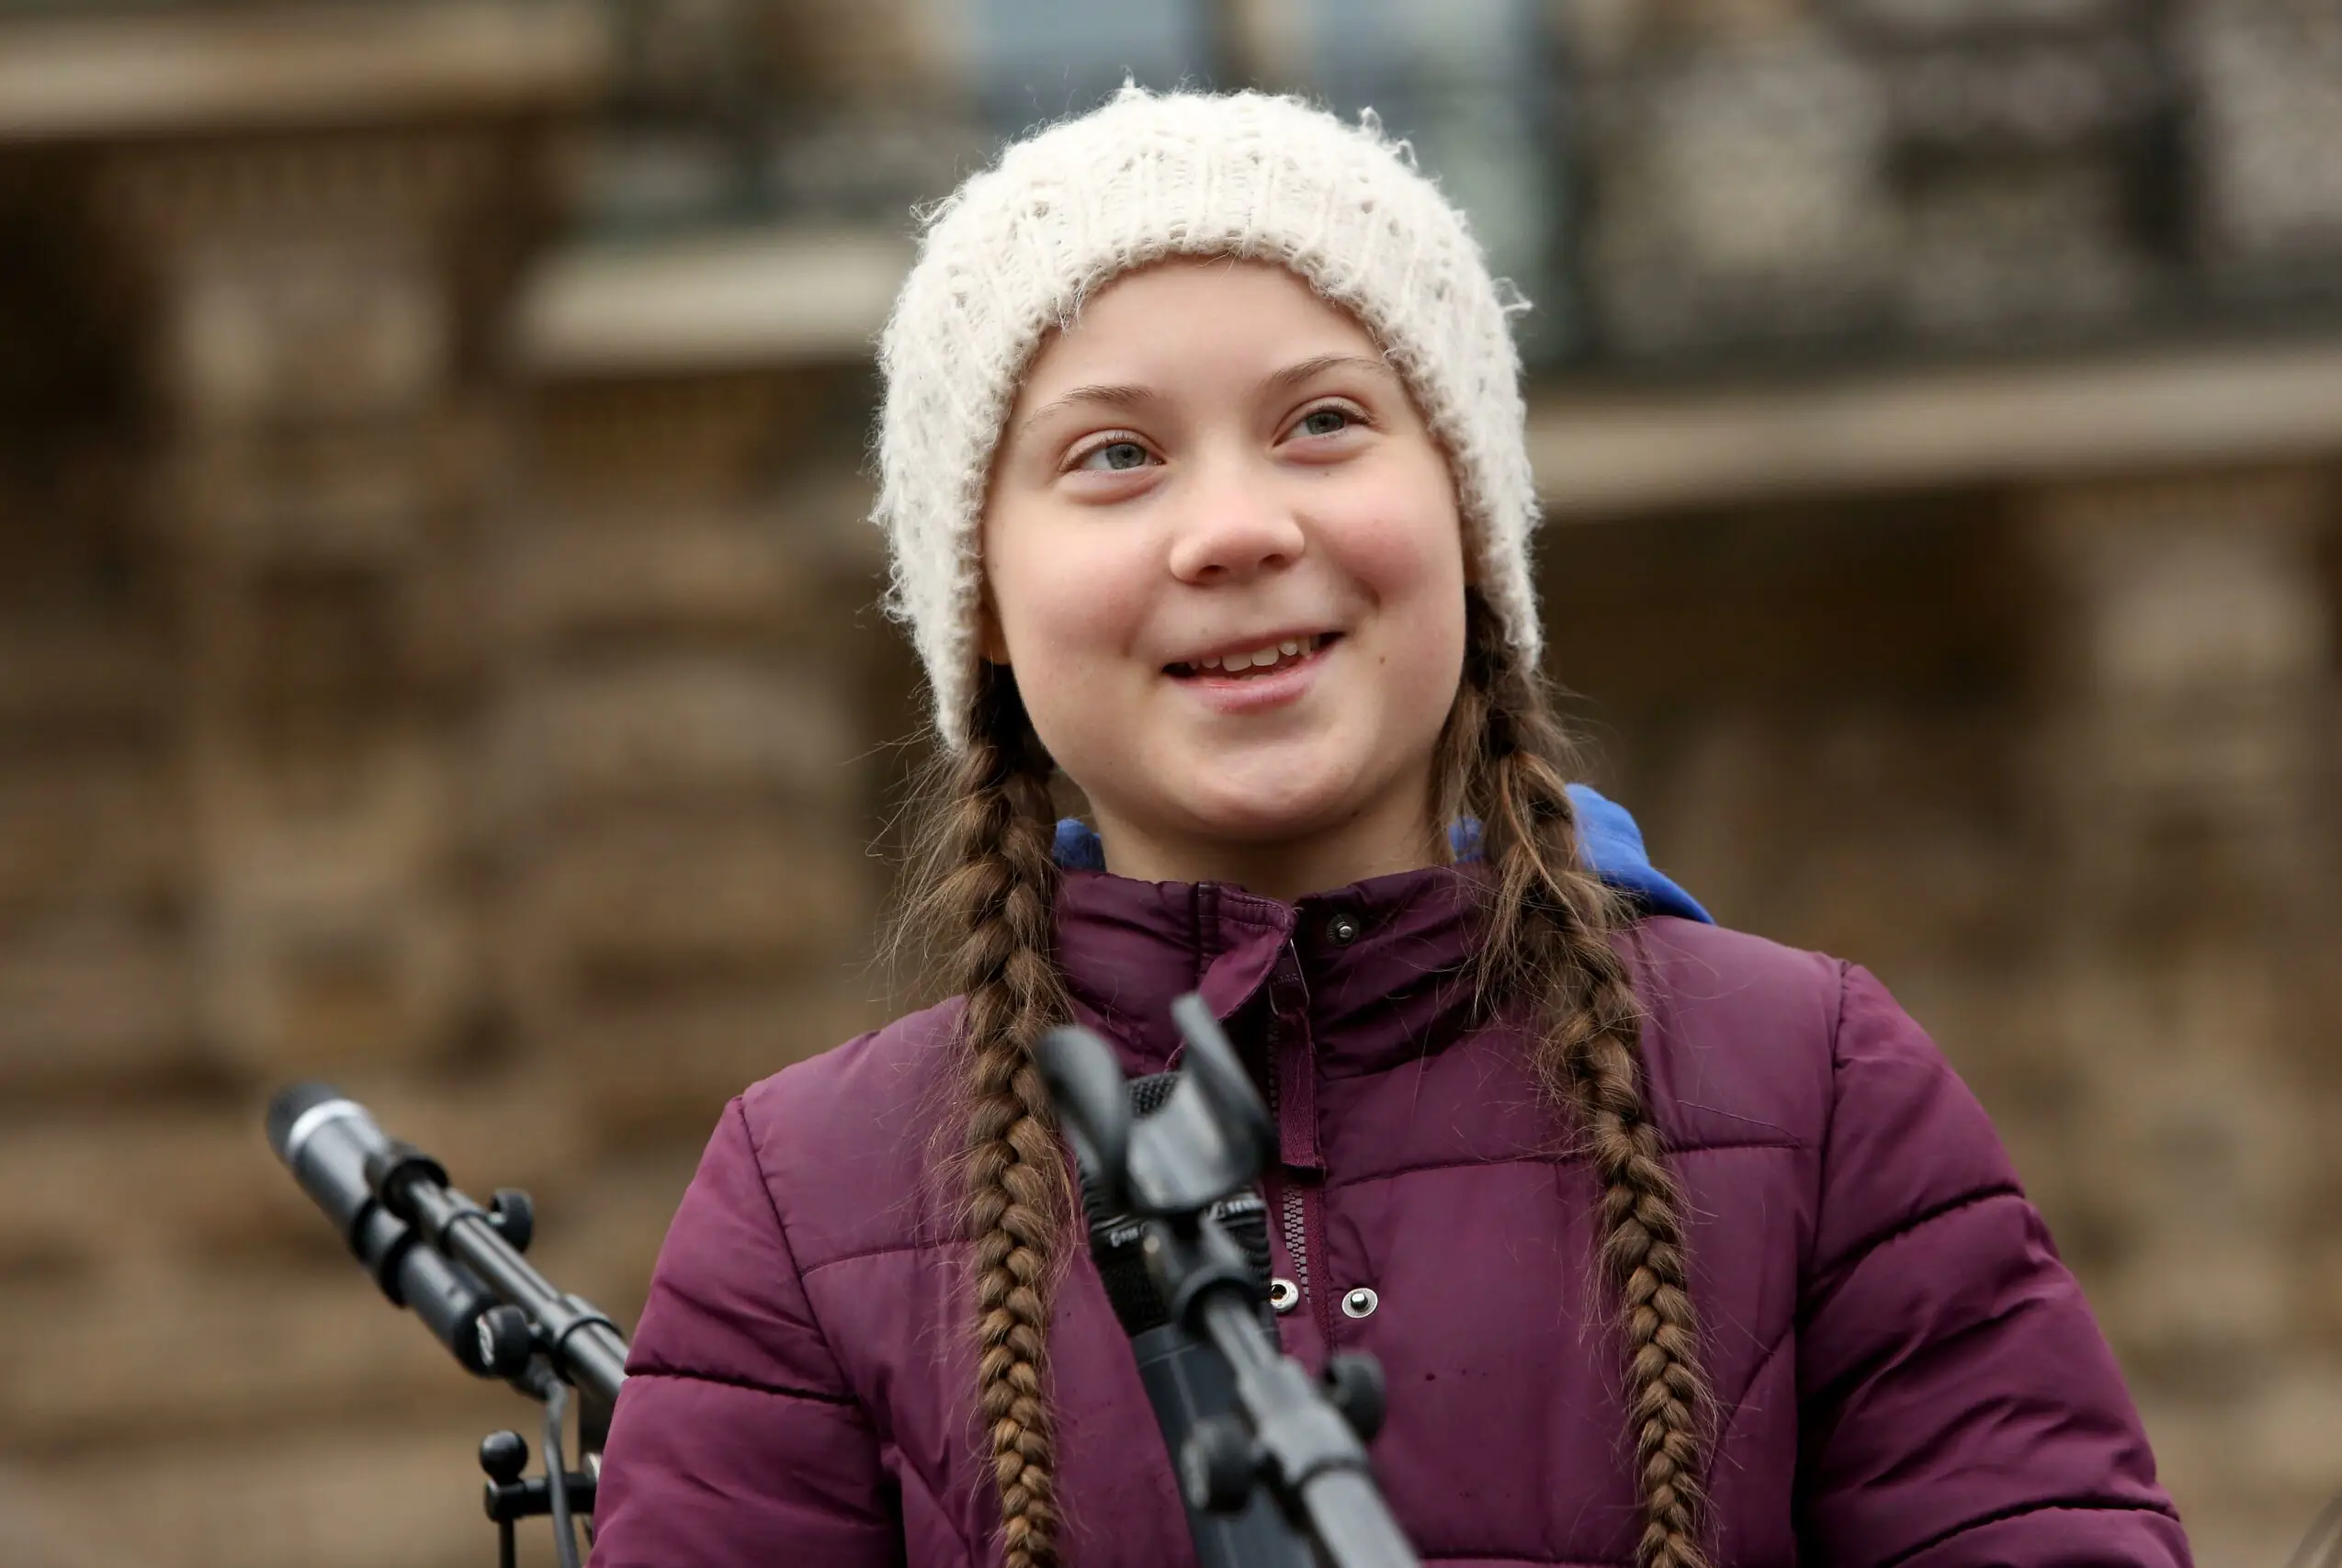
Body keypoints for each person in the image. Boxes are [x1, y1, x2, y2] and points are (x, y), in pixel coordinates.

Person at [587, 86, 2191, 1568]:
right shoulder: (807, 1200)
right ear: (983, 599)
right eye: (1115, 456)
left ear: (1469, 514)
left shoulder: (1819, 1088)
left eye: (1323, 423)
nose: (1235, 529)